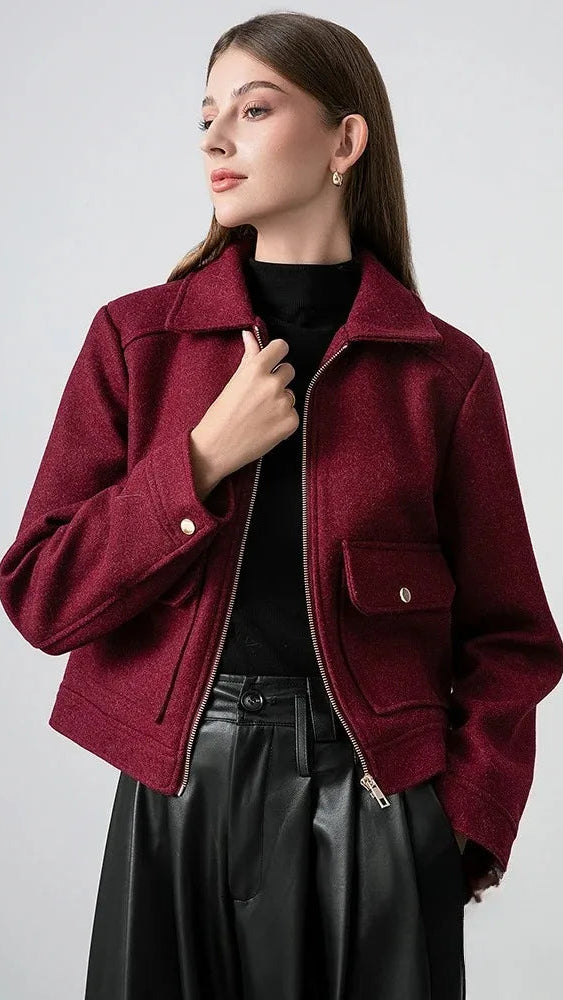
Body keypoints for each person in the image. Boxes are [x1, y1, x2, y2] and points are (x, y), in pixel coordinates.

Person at [1, 11, 562, 1000]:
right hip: (178, 790)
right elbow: (42, 596)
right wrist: (199, 460)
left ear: (344, 141)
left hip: (380, 798)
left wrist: (458, 823)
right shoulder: (138, 342)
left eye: (253, 110)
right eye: (206, 116)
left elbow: (511, 638)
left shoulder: (441, 373)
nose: (215, 139)